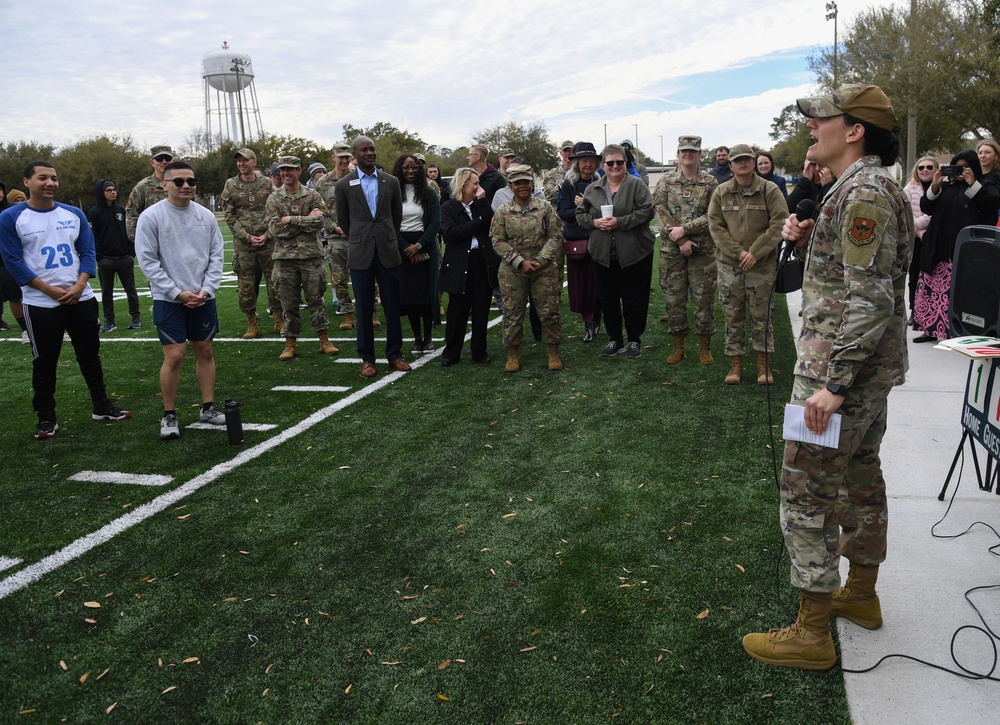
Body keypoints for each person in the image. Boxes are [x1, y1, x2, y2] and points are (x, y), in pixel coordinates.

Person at [742, 84, 913, 671]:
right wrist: (815, 239)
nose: (813, 126)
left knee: (805, 492)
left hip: (840, 377)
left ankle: (812, 632)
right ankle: (860, 595)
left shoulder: (863, 193)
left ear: (855, 130)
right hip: (866, 373)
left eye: (822, 118)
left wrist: (833, 386)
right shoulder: (862, 190)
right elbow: (869, 281)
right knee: (860, 479)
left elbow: (870, 302)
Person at [0, 161, 131, 439]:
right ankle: (46, 417)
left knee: (90, 356)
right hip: (41, 302)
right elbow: (12, 260)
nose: (50, 183)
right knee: (45, 361)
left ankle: (101, 405)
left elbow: (86, 251)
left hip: (80, 297)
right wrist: (49, 290)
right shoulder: (11, 217)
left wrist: (80, 283)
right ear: (27, 182)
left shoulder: (73, 214)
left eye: (54, 178)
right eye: (42, 177)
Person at [135, 161, 226, 440]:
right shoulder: (151, 217)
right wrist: (176, 292)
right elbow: (148, 261)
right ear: (164, 184)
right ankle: (169, 414)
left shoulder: (206, 216)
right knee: (174, 356)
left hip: (202, 297)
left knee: (205, 350)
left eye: (191, 181)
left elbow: (216, 256)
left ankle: (208, 408)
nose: (186, 186)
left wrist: (207, 289)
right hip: (169, 299)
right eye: (178, 181)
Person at [708, 143, 786, 385]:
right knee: (733, 316)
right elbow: (715, 226)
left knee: (762, 317)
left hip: (761, 266)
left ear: (754, 162)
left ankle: (763, 365)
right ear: (730, 165)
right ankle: (736, 365)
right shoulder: (721, 192)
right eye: (737, 160)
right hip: (731, 266)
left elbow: (779, 223)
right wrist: (738, 252)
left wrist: (755, 252)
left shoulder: (768, 189)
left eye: (747, 159)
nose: (743, 163)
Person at [334, 135, 409, 378]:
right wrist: (360, 237)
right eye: (364, 150)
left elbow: (396, 217)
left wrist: (386, 236)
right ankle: (367, 359)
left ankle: (395, 355)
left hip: (388, 251)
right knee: (364, 308)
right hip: (360, 252)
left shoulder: (391, 181)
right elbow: (344, 221)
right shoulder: (343, 185)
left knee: (392, 305)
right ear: (355, 155)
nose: (369, 153)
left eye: (372, 149)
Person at [575, 144, 656, 359]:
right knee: (608, 298)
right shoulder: (593, 188)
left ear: (626, 163)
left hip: (635, 252)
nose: (615, 166)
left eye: (619, 162)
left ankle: (633, 340)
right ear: (603, 165)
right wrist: (595, 222)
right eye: (610, 163)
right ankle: (614, 339)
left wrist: (619, 222)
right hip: (602, 254)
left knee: (634, 298)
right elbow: (580, 215)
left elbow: (647, 212)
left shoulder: (636, 185)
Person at [913, 150, 1000, 341]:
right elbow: (926, 207)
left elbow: (990, 205)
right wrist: (934, 186)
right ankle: (930, 330)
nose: (960, 171)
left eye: (965, 167)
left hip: (964, 253)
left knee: (960, 292)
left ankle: (957, 331)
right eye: (957, 166)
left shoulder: (985, 184)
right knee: (932, 291)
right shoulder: (947, 186)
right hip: (937, 250)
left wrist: (972, 183)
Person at [490, 165, 564, 372]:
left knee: (550, 312)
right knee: (513, 313)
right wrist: (519, 261)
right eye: (517, 183)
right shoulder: (503, 211)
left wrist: (541, 259)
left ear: (532, 184)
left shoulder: (544, 207)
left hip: (544, 269)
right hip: (513, 271)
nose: (522, 186)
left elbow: (556, 235)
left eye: (526, 182)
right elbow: (497, 240)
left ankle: (553, 353)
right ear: (510, 186)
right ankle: (513, 355)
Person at [653, 135, 719, 365]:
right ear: (678, 154)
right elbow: (659, 210)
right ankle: (678, 346)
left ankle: (705, 348)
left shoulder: (711, 183)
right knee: (674, 300)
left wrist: (686, 229)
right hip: (672, 251)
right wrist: (680, 239)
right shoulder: (666, 181)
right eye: (684, 151)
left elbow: (713, 214)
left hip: (703, 252)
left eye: (693, 150)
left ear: (699, 154)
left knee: (704, 300)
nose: (688, 154)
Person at [264, 156, 337, 360]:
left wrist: (291, 220)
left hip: (311, 257)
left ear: (299, 170)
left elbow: (320, 222)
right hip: (285, 259)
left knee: (316, 300)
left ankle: (324, 340)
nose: (286, 173)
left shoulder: (312, 195)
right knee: (289, 303)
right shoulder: (274, 198)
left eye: (290, 170)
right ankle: (290, 344)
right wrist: (305, 220)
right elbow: (275, 228)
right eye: (283, 170)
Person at [438, 167, 499, 366]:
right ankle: (451, 353)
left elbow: (492, 224)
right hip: (458, 264)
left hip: (481, 262)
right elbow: (451, 234)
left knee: (481, 310)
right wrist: (477, 222)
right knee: (457, 312)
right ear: (463, 185)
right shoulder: (448, 207)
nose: (478, 187)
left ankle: (479, 351)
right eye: (475, 183)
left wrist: (482, 206)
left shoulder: (481, 204)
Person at [220, 147, 281, 338]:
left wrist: (267, 235)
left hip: (268, 243)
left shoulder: (267, 184)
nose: (241, 164)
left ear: (254, 162)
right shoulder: (230, 185)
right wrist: (246, 236)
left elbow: (275, 212)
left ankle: (279, 319)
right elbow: (229, 216)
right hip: (244, 246)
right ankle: (251, 323)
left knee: (275, 282)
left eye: (245, 160)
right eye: (238, 161)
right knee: (246, 286)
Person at [392, 154, 441, 354]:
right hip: (402, 247)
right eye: (406, 167)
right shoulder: (393, 193)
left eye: (414, 167)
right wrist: (407, 247)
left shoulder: (428, 193)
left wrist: (419, 245)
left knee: (426, 294)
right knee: (409, 295)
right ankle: (417, 337)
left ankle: (428, 337)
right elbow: (390, 224)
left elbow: (435, 222)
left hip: (425, 245)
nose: (411, 171)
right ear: (399, 170)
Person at [558, 142, 603, 342]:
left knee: (598, 284)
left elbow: (609, 210)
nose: (587, 165)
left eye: (591, 161)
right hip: (577, 243)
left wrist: (586, 205)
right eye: (584, 161)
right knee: (581, 288)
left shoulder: (602, 181)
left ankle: (598, 317)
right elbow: (563, 213)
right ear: (576, 163)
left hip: (599, 240)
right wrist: (582, 210)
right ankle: (588, 323)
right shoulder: (568, 183)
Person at [87, 179, 140, 332]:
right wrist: (99, 257)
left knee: (131, 290)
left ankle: (135, 317)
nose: (113, 192)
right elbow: (93, 236)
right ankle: (110, 321)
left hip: (124, 258)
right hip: (106, 260)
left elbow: (131, 232)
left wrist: (131, 253)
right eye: (109, 190)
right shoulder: (94, 213)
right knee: (106, 292)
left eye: (114, 189)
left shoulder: (122, 211)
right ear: (101, 193)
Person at [315, 143, 357, 331]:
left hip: (359, 236)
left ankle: (370, 313)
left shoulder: (358, 178)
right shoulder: (323, 182)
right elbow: (317, 211)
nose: (344, 160)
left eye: (347, 156)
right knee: (339, 279)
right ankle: (348, 314)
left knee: (367, 277)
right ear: (333, 157)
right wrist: (335, 228)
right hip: (336, 238)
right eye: (340, 157)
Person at [902, 156, 938, 323]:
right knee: (914, 274)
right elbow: (905, 215)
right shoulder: (909, 189)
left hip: (936, 237)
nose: (925, 170)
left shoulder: (942, 188)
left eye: (929, 167)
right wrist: (918, 231)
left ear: (936, 169)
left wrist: (921, 224)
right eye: (921, 167)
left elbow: (937, 213)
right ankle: (914, 310)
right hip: (916, 239)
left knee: (933, 275)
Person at [0, 180, 28, 342]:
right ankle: (25, 329)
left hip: (23, 258)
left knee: (36, 292)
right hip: (3, 262)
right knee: (14, 296)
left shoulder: (12, 211)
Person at [126, 145, 173, 241]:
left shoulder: (183, 184)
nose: (164, 162)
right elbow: (132, 216)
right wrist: (141, 242)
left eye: (167, 158)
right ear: (152, 162)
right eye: (159, 159)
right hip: (153, 242)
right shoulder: (142, 187)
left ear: (173, 161)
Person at [541, 140, 575, 204]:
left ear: (574, 153)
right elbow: (548, 195)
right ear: (561, 153)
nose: (568, 153)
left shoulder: (579, 172)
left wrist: (558, 188)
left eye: (570, 151)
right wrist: (560, 188)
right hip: (557, 211)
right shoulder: (552, 173)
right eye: (565, 151)